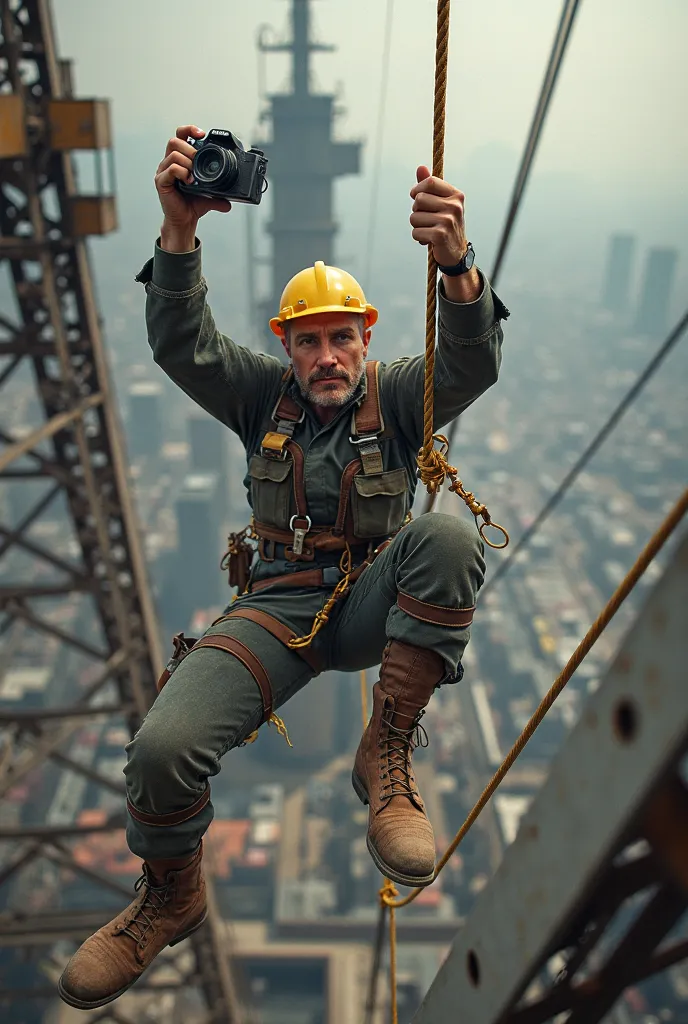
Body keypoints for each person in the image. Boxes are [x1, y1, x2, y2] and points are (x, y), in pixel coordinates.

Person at [58, 124, 509, 1009]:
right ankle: (169, 894)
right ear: (289, 347)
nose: (328, 357)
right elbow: (184, 346)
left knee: (450, 537)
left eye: (343, 339)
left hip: (375, 596)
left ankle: (385, 751)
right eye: (309, 342)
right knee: (160, 749)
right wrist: (180, 232)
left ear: (366, 339)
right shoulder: (263, 395)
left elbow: (472, 361)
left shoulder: (402, 394)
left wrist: (457, 266)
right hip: (276, 605)